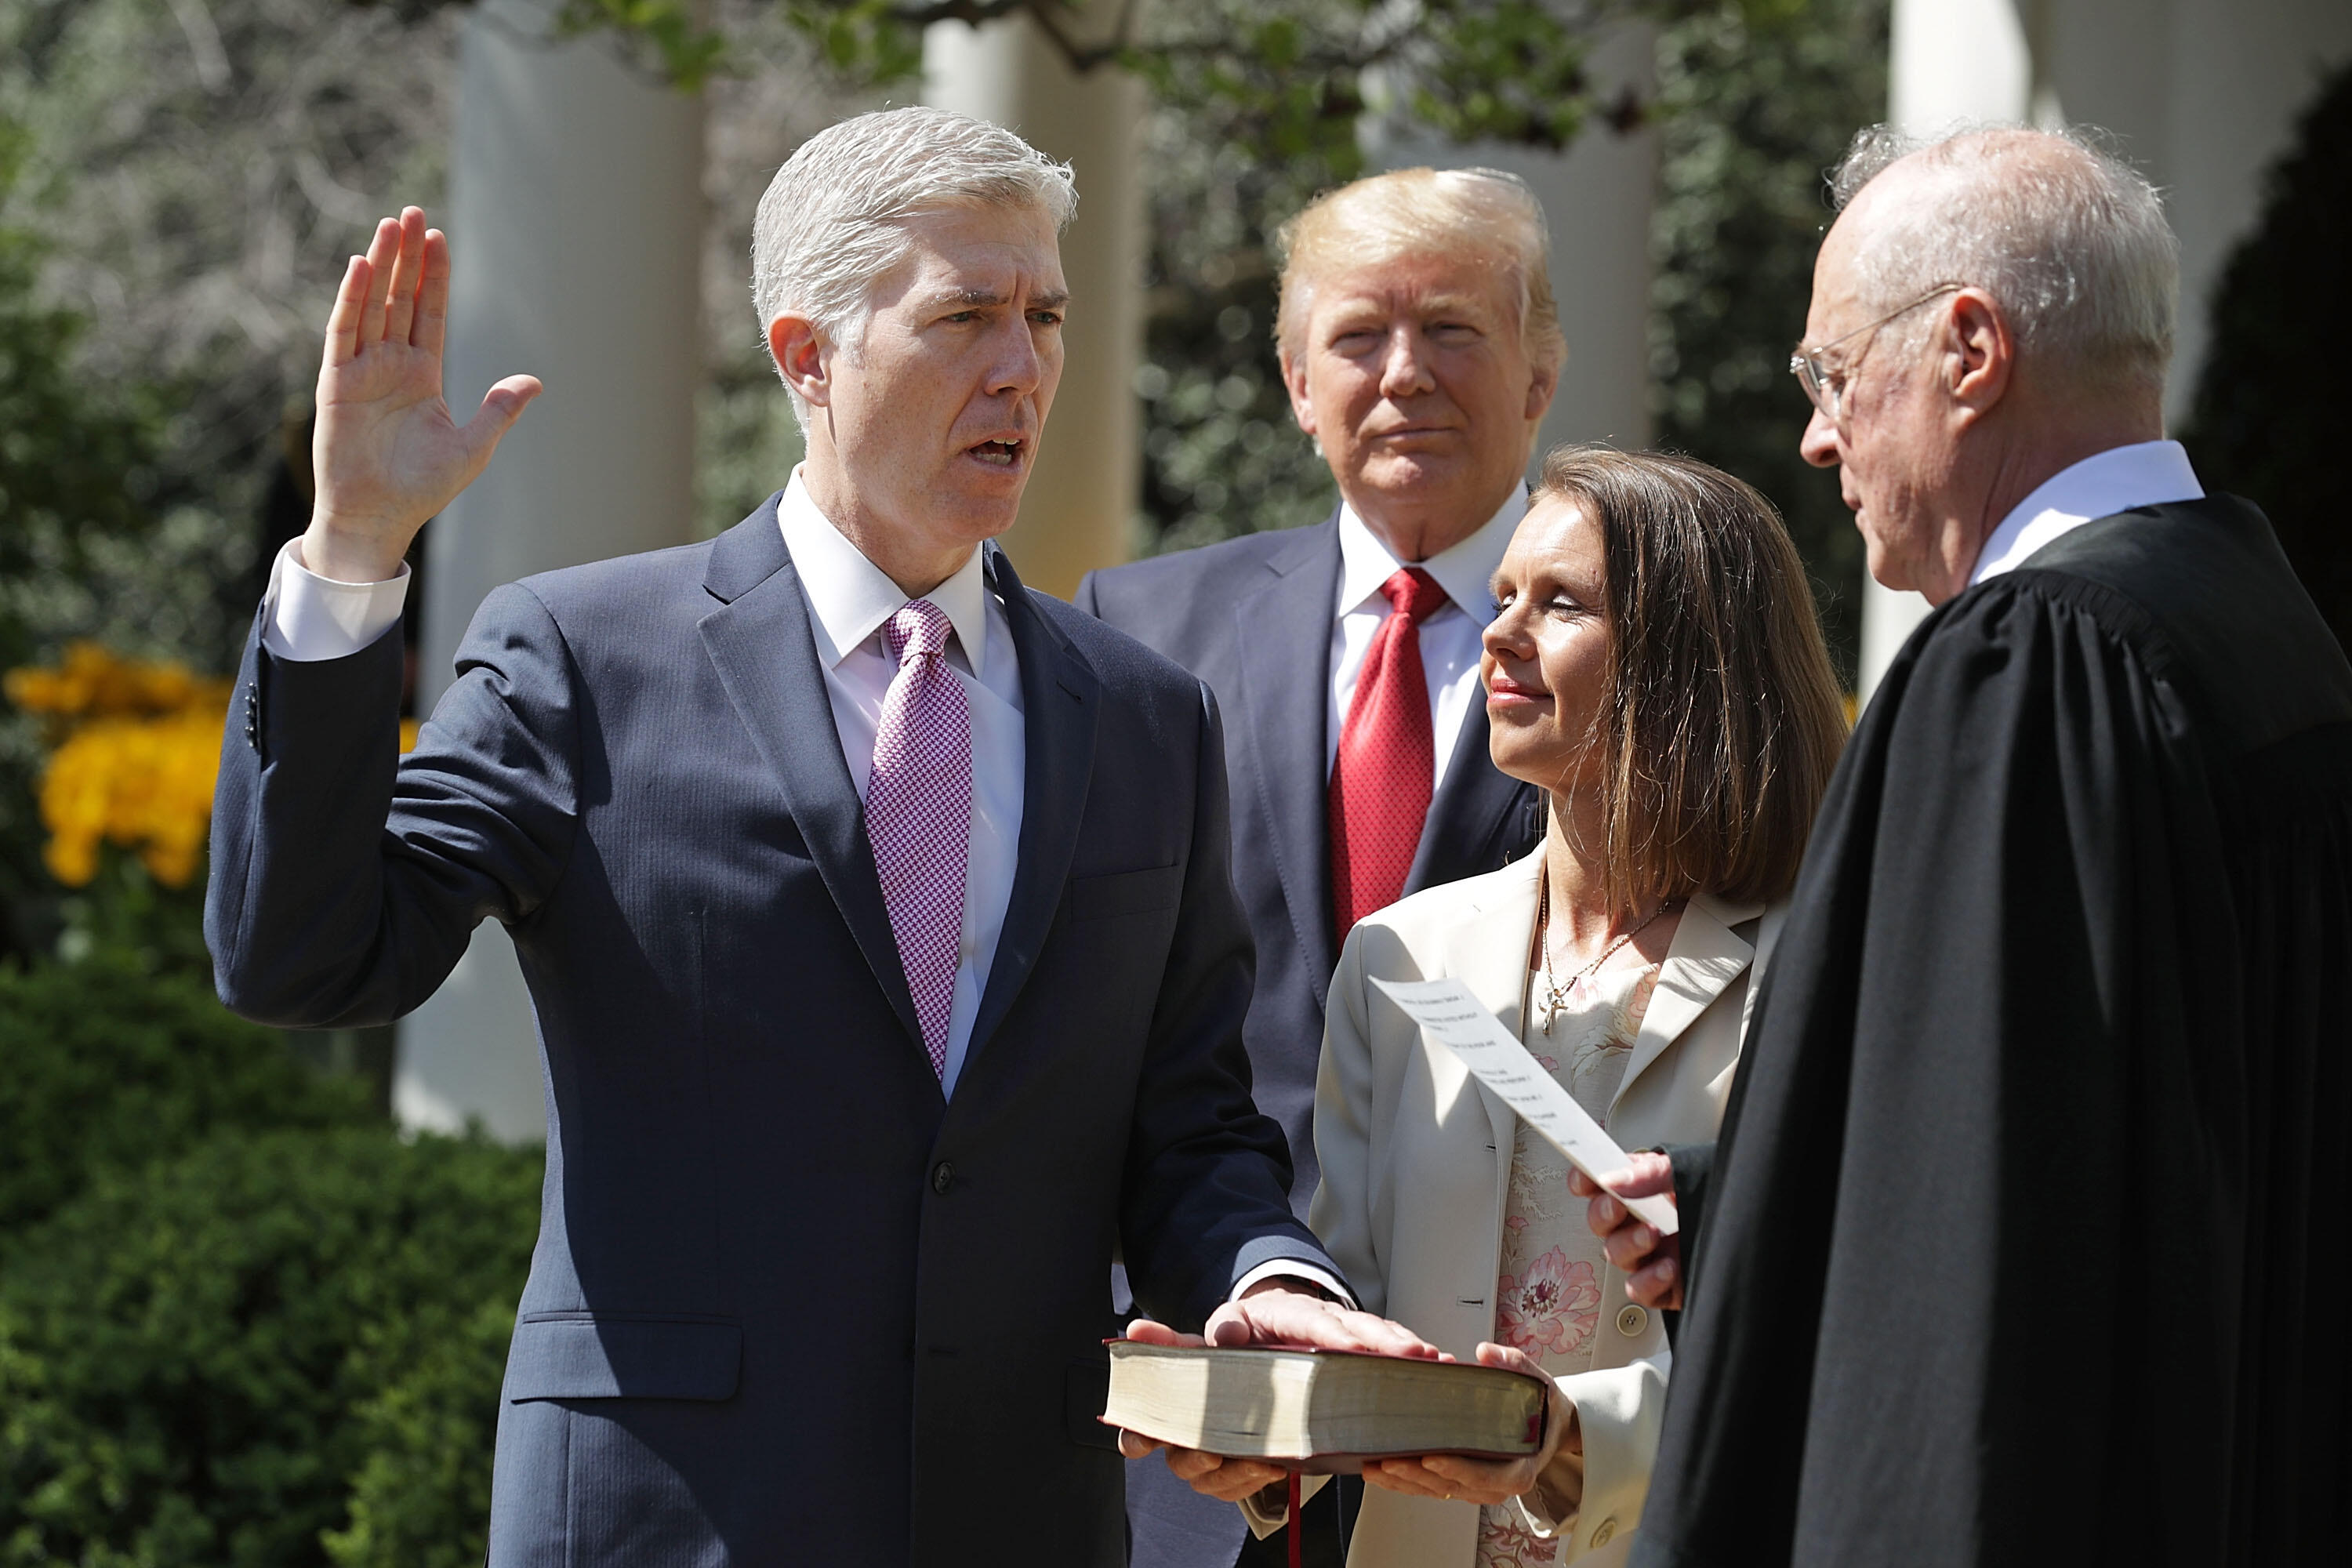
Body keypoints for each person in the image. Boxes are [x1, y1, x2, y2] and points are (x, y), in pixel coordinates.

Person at [203, 107, 1424, 1567]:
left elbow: (1191, 1127)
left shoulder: (1146, 716)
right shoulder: (584, 655)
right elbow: (306, 957)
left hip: (1020, 1517)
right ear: (807, 358)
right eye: (965, 313)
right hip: (672, 1513)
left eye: (1042, 315)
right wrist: (351, 557)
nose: (1021, 366)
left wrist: (1264, 1273)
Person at [1587, 125, 2352, 1566]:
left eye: (1830, 371)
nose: (1816, 434)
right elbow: (2125, 1135)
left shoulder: (2028, 666)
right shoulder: (2265, 626)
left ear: (1970, 350)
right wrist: (1746, 1200)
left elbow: (1976, 1250)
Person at [1134, 448, 1846, 1566]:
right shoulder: (1403, 959)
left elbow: (1833, 1348)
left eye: (1560, 603)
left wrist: (1567, 1444)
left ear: (1695, 657)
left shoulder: (1825, 967)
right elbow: (1358, 1314)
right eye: (1503, 596)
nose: (1500, 633)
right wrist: (1258, 1428)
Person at [1078, 166, 1557, 1567]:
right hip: (1211, 1426)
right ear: (1296, 381)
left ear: (1541, 374)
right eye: (1359, 338)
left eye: (1457, 330)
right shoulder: (1141, 630)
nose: (1406, 374)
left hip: (1508, 1421)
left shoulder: (1646, 642)